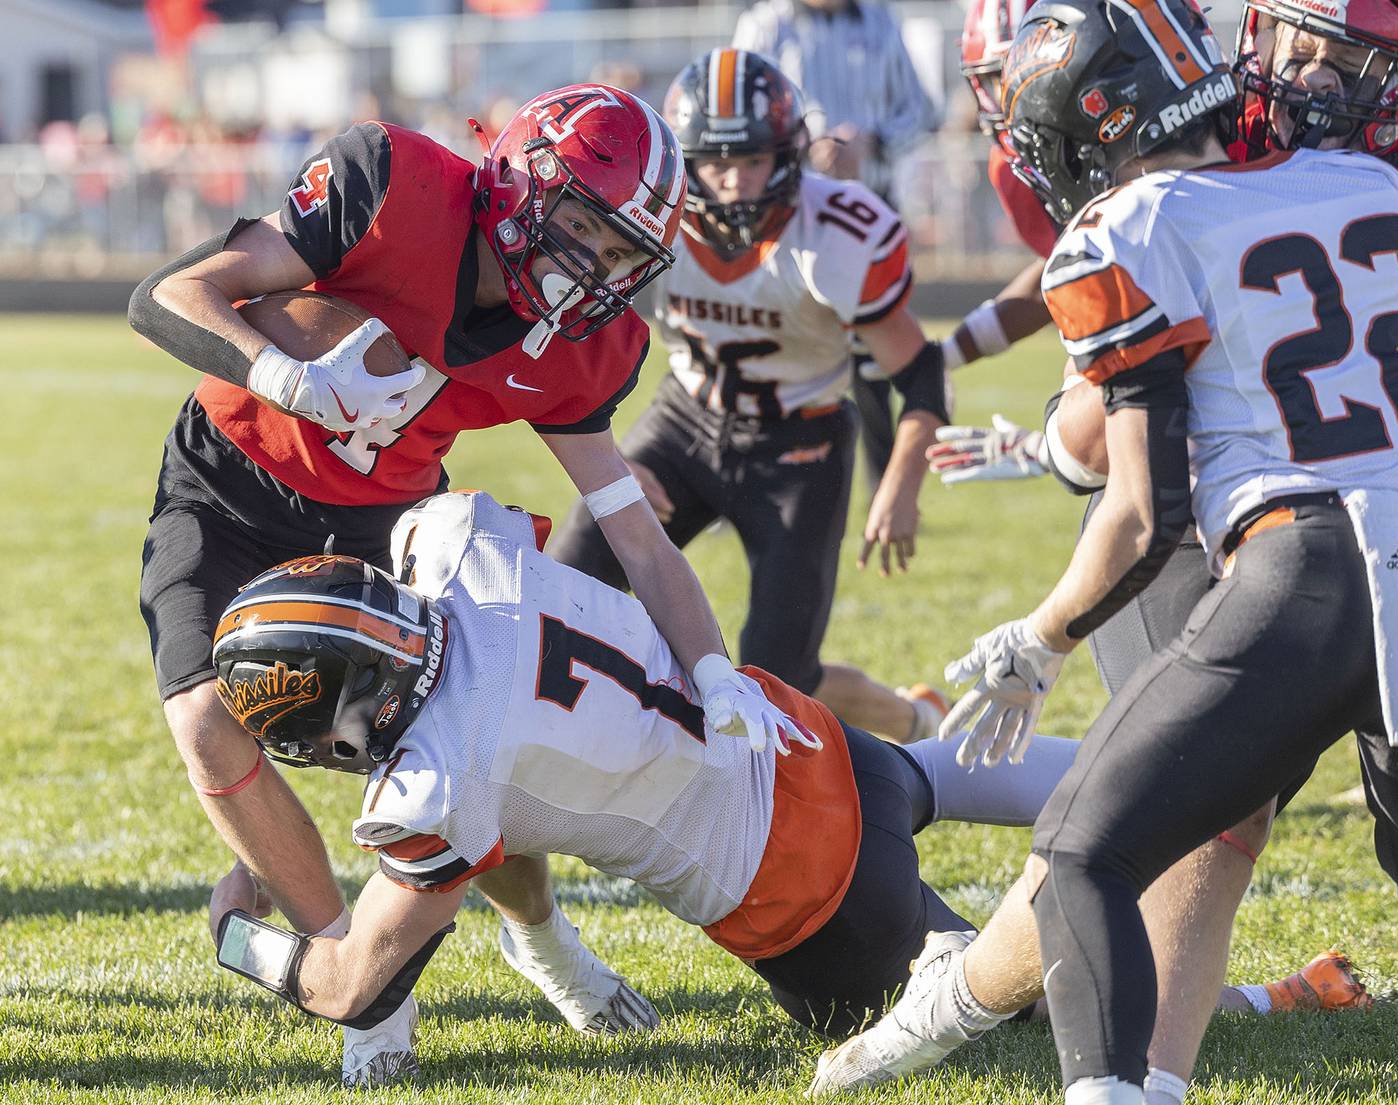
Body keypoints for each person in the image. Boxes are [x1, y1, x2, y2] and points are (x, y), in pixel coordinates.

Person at [814, 0, 1398, 1101]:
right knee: (1221, 819)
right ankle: (1063, 1046)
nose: (1342, 84)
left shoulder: (1154, 211)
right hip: (1379, 543)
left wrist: (1042, 627)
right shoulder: (1369, 180)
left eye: (1373, 65)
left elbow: (1121, 473)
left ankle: (1017, 1033)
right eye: (1324, 54)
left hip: (1301, 538)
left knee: (1093, 845)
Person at [127, 85, 799, 1084]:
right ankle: (361, 982)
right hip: (229, 477)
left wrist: (717, 672)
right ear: (526, 177)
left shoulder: (580, 342)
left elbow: (640, 540)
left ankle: (544, 940)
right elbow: (169, 295)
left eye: (618, 257)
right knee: (206, 724)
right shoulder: (392, 186)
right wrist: (290, 378)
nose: (591, 273)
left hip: (383, 519)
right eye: (582, 229)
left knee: (461, 756)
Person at [205, 490, 1086, 1053]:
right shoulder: (454, 541)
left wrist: (235, 938)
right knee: (923, 776)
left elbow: (352, 985)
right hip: (805, 739)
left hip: (809, 903)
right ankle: (1129, 780)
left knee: (1001, 997)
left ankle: (1183, 977)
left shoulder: (442, 784)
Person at [548, 50, 951, 743]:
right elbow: (570, 339)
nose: (733, 184)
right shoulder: (647, 216)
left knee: (781, 679)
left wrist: (903, 478)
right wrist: (610, 455)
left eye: (752, 161)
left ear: (789, 155)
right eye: (714, 163)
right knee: (563, 584)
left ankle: (915, 717)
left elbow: (919, 370)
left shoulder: (836, 235)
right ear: (683, 159)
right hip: (685, 420)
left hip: (801, 444)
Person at [733, 0, 942, 495]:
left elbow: (921, 110)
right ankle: (742, 478)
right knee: (766, 342)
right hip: (783, 212)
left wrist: (871, 143)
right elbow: (733, 116)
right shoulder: (765, 26)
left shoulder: (880, 20)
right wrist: (805, 142)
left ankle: (886, 485)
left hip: (867, 209)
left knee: (872, 351)